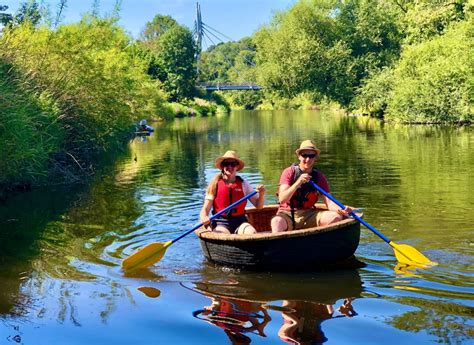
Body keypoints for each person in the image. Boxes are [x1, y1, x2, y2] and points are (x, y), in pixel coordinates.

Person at [271, 140, 354, 233]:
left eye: (311, 156)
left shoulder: (318, 177)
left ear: (315, 158)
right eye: (304, 155)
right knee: (276, 221)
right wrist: (298, 183)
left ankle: (323, 243)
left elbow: (329, 202)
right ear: (299, 156)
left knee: (335, 217)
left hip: (309, 214)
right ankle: (279, 246)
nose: (307, 159)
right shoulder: (289, 172)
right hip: (287, 214)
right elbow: (282, 199)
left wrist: (341, 209)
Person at [200, 150, 265, 235]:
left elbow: (259, 206)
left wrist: (261, 194)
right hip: (221, 222)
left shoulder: (243, 183)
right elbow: (205, 209)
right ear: (223, 166)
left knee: (251, 232)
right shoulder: (214, 184)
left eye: (233, 164)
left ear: (237, 167)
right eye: (226, 164)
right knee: (222, 235)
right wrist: (204, 217)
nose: (229, 166)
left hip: (240, 221)